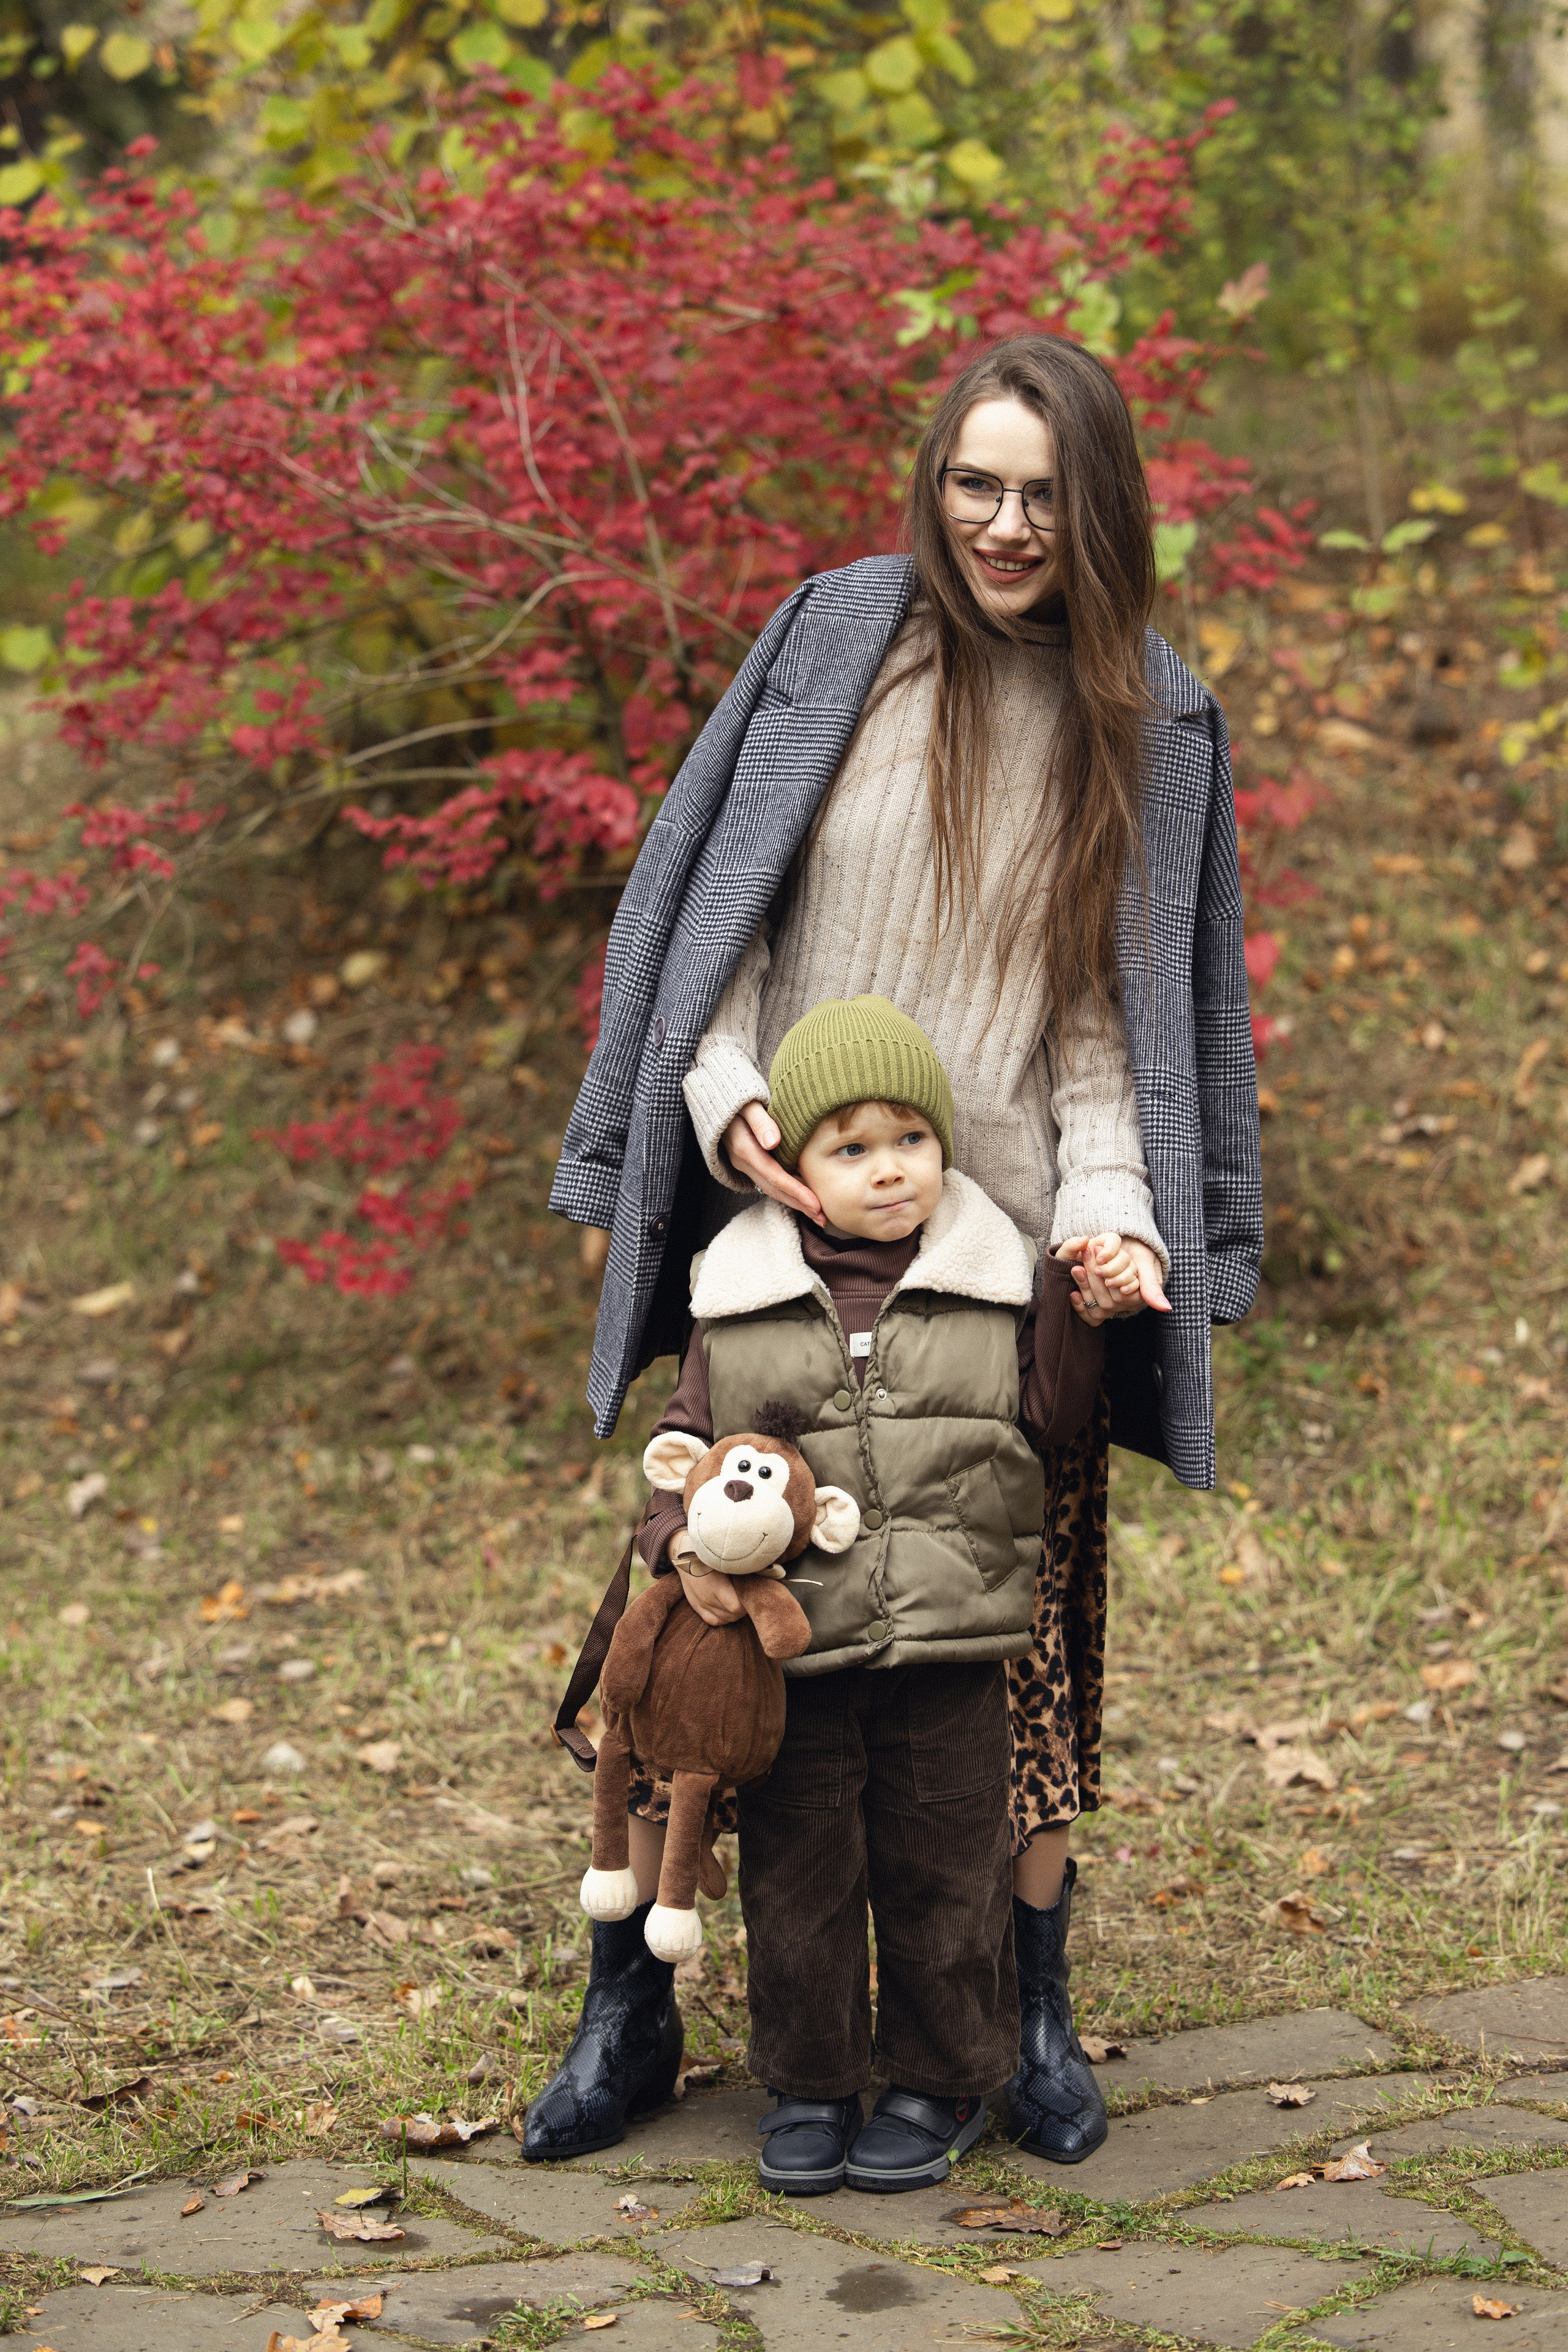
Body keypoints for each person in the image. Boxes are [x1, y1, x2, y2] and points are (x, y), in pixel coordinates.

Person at [530, 332, 1262, 2171]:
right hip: (787, 1247)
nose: (1005, 525)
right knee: (693, 1627)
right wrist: (720, 1098)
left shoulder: (1147, 718)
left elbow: (1112, 1033)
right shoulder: (836, 638)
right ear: (935, 482)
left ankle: (1022, 2009)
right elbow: (726, 911)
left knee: (1012, 1664)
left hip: (989, 1286)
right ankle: (630, 2005)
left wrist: (1108, 1226)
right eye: (974, 483)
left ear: (1103, 509)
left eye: (1046, 495)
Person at [630, 996, 1115, 2192]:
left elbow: (1051, 1417)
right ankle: (809, 2083)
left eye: (910, 1139)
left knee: (946, 1870)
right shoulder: (736, 1296)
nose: (888, 1168)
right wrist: (676, 1546)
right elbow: (689, 1452)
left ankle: (941, 2079)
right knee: (798, 1877)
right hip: (796, 1657)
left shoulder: (990, 1276)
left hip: (953, 1644)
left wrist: (1076, 1304)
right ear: (794, 1168)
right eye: (850, 1147)